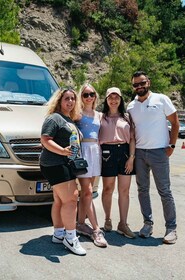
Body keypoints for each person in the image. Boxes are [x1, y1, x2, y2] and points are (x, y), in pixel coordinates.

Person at [126, 71, 178, 244]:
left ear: (148, 82)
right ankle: (147, 224)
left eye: (142, 83)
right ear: (132, 86)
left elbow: (175, 122)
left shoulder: (161, 99)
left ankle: (171, 228)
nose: (139, 87)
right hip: (140, 153)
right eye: (136, 84)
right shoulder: (130, 106)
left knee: (164, 191)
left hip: (159, 152)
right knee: (142, 190)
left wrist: (171, 145)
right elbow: (131, 132)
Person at [39, 88, 86, 256]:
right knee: (72, 199)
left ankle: (59, 234)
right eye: (67, 98)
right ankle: (70, 238)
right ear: (59, 100)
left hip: (64, 162)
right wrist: (63, 151)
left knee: (59, 200)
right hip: (55, 163)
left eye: (73, 98)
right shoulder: (54, 118)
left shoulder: (68, 119)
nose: (71, 101)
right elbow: (45, 140)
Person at [98, 87, 136, 239]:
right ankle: (107, 219)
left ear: (120, 100)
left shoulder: (127, 117)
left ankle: (123, 224)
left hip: (125, 153)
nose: (113, 100)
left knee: (124, 191)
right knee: (108, 188)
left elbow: (132, 138)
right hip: (107, 153)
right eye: (110, 97)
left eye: (116, 97)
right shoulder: (101, 117)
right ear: (106, 100)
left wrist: (131, 157)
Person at [75, 83, 107, 247]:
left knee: (88, 192)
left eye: (91, 94)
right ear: (81, 97)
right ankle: (96, 229)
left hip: (96, 151)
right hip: (83, 151)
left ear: (95, 96)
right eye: (85, 94)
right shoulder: (77, 114)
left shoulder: (99, 115)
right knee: (86, 192)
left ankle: (80, 224)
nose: (89, 97)